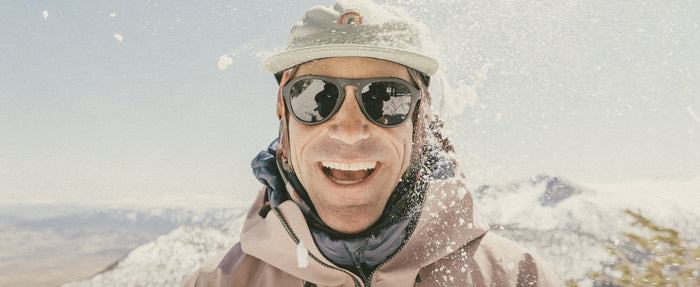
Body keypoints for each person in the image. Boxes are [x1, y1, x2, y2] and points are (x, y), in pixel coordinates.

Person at [185, 0, 563, 286]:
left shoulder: (516, 279)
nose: (349, 129)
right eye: (315, 96)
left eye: (386, 98)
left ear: (422, 121)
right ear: (283, 112)